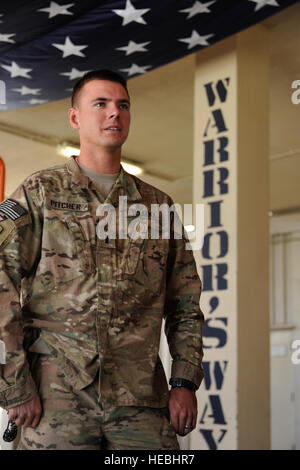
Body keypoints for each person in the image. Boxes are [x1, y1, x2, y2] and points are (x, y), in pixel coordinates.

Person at [0, 70, 204, 450]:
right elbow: (1, 284)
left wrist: (184, 381)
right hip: (55, 397)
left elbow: (185, 304)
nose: (114, 113)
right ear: (75, 117)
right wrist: (14, 383)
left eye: (122, 105)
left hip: (141, 400)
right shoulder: (40, 192)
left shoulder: (157, 206)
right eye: (101, 104)